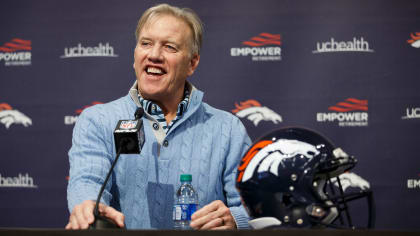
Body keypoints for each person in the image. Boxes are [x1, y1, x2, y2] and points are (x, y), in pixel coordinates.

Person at [66, 3, 252, 230]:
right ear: (135, 55)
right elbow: (87, 181)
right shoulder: (98, 120)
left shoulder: (228, 129)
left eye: (170, 47)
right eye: (146, 43)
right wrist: (89, 206)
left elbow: (251, 207)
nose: (154, 55)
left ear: (192, 63)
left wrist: (235, 220)